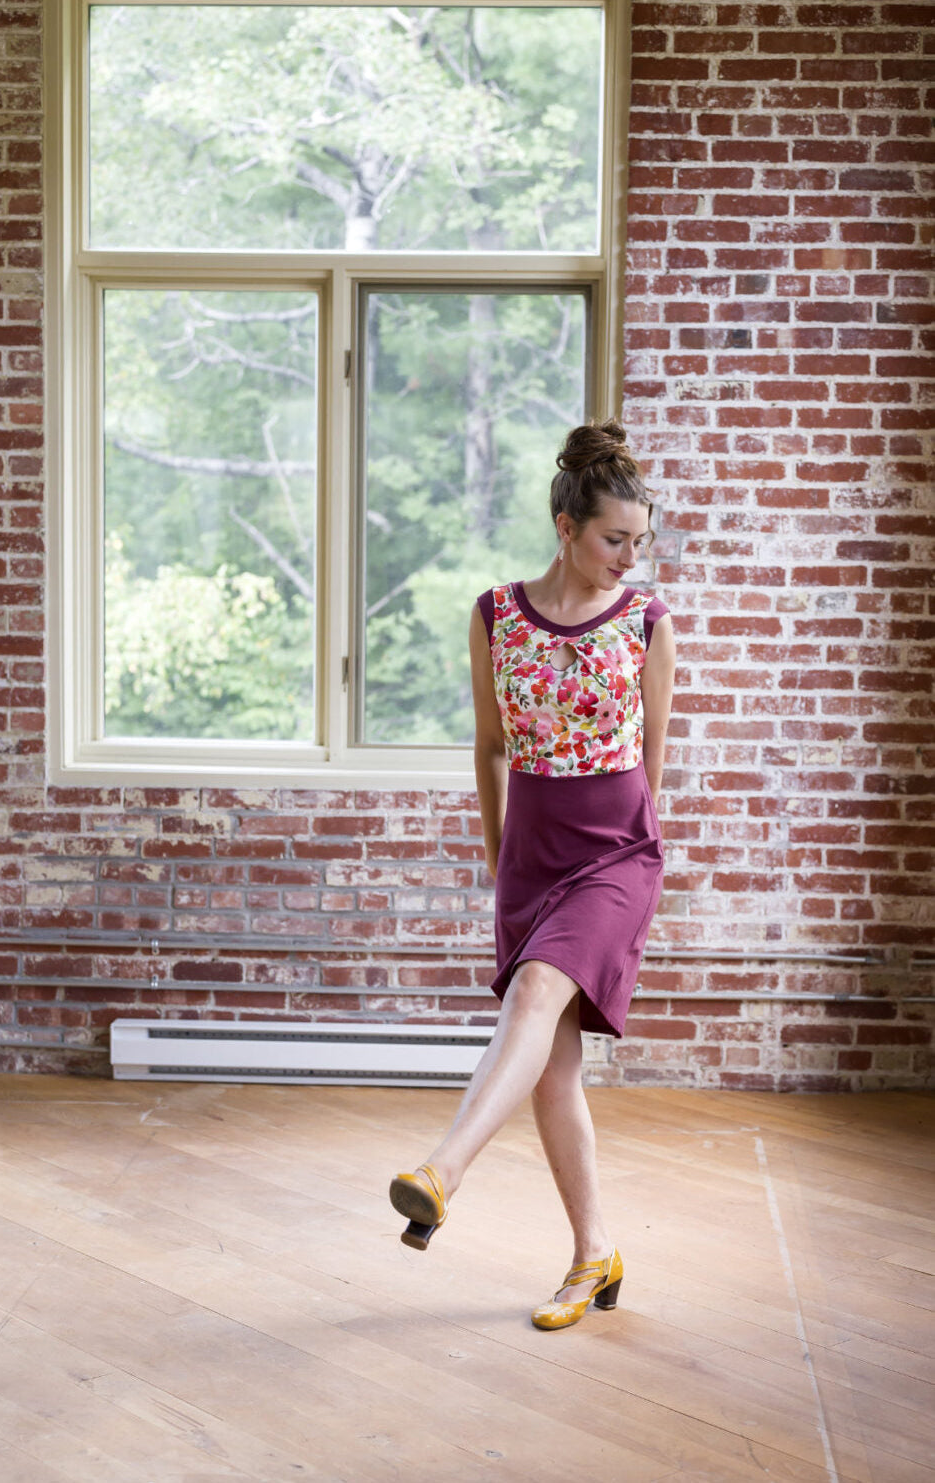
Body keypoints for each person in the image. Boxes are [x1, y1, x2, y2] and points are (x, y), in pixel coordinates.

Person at [389, 419, 676, 1331]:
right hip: (530, 853)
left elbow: (653, 764)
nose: (629, 558)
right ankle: (596, 1255)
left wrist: (626, 853)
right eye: (613, 540)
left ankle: (444, 1169)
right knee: (552, 1071)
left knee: (537, 995)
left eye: (640, 541)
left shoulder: (646, 622)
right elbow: (488, 750)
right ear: (566, 527)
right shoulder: (495, 616)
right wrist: (498, 860)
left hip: (615, 850)